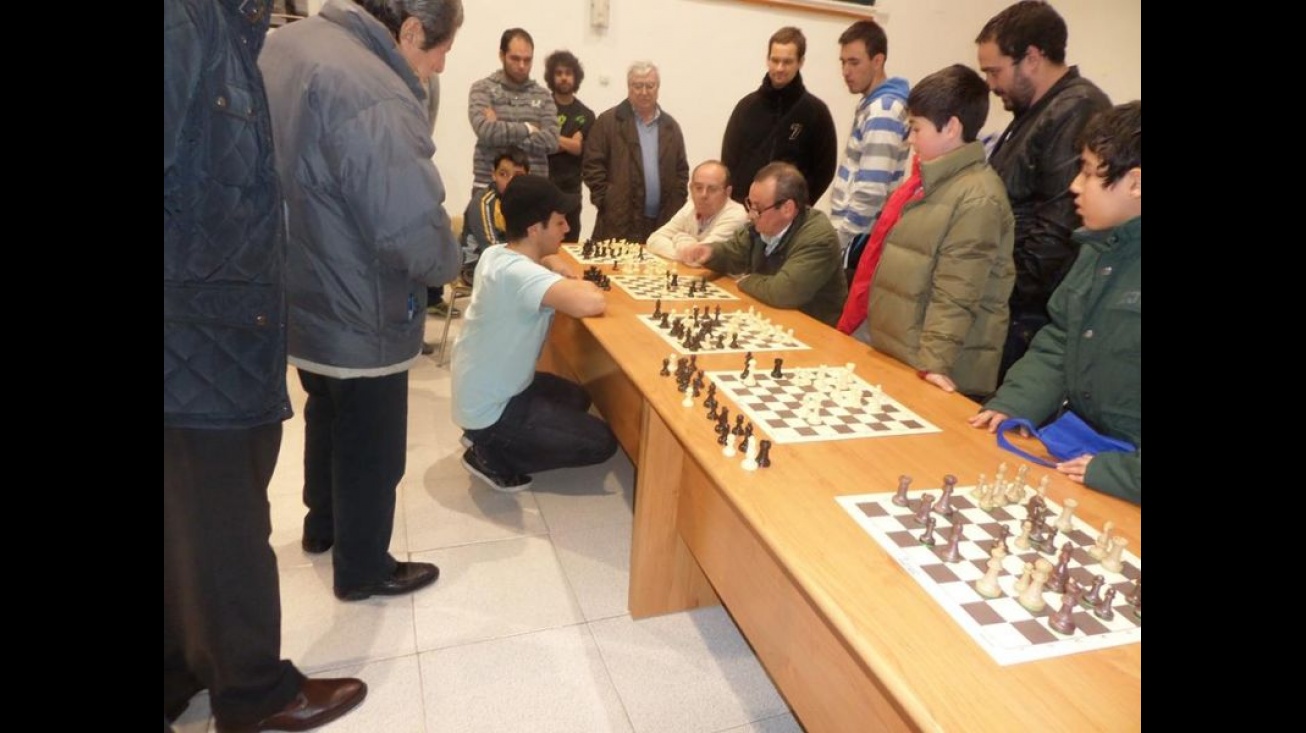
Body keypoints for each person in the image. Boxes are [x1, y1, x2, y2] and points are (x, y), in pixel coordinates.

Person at [165, 0, 366, 730]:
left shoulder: (227, 28)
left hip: (215, 332)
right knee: (227, 522)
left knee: (187, 517)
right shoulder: (185, 19)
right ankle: (253, 692)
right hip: (196, 338)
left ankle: (184, 667)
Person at [259, 0, 464, 601]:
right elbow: (409, 223)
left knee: (325, 412)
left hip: (298, 286)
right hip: (359, 304)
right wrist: (449, 264)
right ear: (409, 32)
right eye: (440, 51)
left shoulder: (288, 45)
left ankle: (321, 528)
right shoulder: (373, 88)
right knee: (371, 448)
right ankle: (363, 567)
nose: (440, 67)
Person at [969, 101, 1141, 505]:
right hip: (1092, 456)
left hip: (1120, 474)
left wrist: (1121, 473)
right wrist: (1015, 401)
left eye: (1088, 172)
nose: (1074, 186)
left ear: (1135, 183)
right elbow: (1062, 339)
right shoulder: (1099, 249)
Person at [837, 65, 1015, 401]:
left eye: (916, 128)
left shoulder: (978, 197)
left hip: (934, 369)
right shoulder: (930, 184)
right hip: (899, 352)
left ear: (950, 127)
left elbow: (956, 292)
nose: (910, 139)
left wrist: (934, 365)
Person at [452, 175, 619, 491]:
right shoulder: (520, 274)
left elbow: (540, 260)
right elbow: (591, 301)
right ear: (533, 229)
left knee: (578, 397)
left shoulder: (498, 254)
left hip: (484, 392)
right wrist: (569, 280)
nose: (567, 229)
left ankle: (486, 435)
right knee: (602, 444)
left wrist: (552, 259)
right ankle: (491, 453)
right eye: (558, 223)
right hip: (494, 408)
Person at [975, 0, 1111, 379]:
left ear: (1032, 58)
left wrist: (998, 295)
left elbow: (1056, 233)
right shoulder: (1032, 111)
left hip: (1026, 316)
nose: (990, 84)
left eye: (994, 71)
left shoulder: (1075, 109)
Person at [682, 162, 846, 327]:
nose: (751, 215)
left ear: (787, 208)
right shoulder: (761, 225)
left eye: (758, 208)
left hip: (813, 330)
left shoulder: (818, 238)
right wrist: (710, 252)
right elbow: (734, 253)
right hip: (770, 315)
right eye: (750, 204)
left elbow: (783, 292)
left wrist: (746, 280)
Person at [830, 19, 910, 284]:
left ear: (878, 61)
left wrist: (840, 238)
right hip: (856, 236)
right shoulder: (872, 104)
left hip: (860, 237)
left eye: (854, 62)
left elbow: (871, 190)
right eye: (843, 62)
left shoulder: (883, 110)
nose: (845, 71)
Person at [720, 26, 838, 206]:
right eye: (775, 60)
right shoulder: (746, 108)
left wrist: (798, 206)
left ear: (800, 62)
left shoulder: (816, 113)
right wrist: (741, 204)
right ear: (767, 60)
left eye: (787, 61)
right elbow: (728, 162)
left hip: (790, 217)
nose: (780, 68)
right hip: (745, 212)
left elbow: (824, 171)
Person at [582, 61, 689, 243]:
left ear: (658, 87)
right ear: (628, 87)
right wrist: (607, 200)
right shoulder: (608, 122)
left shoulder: (670, 127)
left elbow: (681, 171)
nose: (644, 92)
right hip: (619, 221)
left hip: (662, 223)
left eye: (650, 86)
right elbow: (592, 166)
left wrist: (676, 203)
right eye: (637, 86)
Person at [468, 28, 559, 193]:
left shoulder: (543, 95)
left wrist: (501, 130)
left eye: (527, 60)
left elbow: (552, 141)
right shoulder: (482, 89)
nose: (522, 66)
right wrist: (529, 129)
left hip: (534, 190)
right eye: (515, 59)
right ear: (502, 55)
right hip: (489, 187)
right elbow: (485, 130)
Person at [645, 160, 748, 263]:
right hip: (692, 274)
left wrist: (679, 238)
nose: (703, 195)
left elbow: (701, 257)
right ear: (691, 188)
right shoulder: (690, 206)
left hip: (724, 278)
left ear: (727, 192)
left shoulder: (736, 215)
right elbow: (654, 239)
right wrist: (685, 249)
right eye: (698, 188)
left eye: (712, 189)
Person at [544, 50, 595, 243]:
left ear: (576, 76)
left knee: (569, 243)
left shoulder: (586, 114)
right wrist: (567, 141)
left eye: (568, 73)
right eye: (559, 73)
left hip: (571, 191)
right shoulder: (543, 107)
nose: (564, 78)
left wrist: (552, 136)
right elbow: (543, 144)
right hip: (543, 186)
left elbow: (577, 148)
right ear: (551, 77)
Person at [460, 146, 530, 282]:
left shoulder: (528, 200)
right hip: (476, 266)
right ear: (494, 175)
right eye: (503, 174)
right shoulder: (483, 202)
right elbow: (492, 249)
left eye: (517, 176)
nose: (510, 181)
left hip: (512, 262)